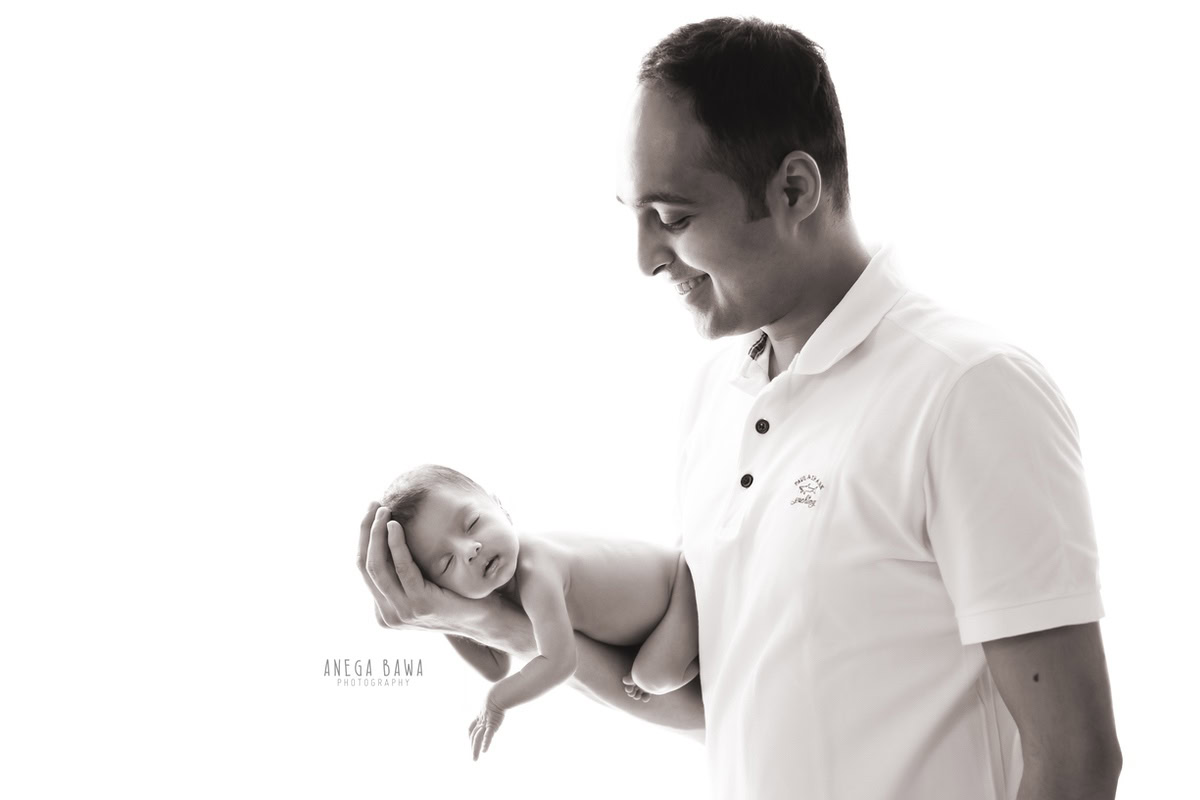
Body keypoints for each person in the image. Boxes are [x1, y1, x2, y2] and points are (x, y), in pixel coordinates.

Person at [358, 16, 1122, 798]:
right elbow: (714, 703)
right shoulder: (717, 399)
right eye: (634, 215)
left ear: (794, 190)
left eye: (673, 218)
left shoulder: (967, 390)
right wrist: (493, 623)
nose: (645, 258)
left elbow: (1074, 757)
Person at [378, 463, 700, 760]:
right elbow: (495, 667)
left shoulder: (535, 571)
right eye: (447, 563)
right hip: (660, 617)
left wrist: (497, 702)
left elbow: (560, 661)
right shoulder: (504, 589)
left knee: (651, 676)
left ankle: (693, 652)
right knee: (649, 675)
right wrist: (441, 615)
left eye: (472, 522)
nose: (470, 549)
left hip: (680, 585)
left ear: (498, 505)